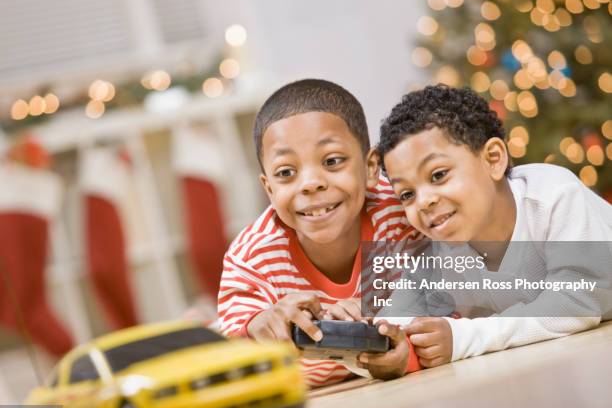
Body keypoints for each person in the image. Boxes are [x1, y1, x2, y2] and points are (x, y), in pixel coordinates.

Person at [376, 84, 612, 367]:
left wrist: (465, 337)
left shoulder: (554, 199)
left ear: (493, 159)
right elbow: (393, 321)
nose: (423, 201)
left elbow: (576, 302)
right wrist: (378, 347)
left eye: (438, 175)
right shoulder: (437, 253)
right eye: (407, 194)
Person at [217, 79, 422, 386]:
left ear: (370, 168)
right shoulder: (251, 258)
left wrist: (408, 355)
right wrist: (258, 325)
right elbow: (232, 348)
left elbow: (458, 307)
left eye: (332, 161)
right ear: (269, 189)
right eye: (286, 173)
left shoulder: (403, 216)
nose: (310, 183)